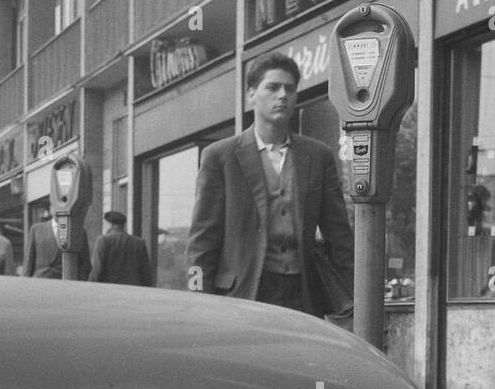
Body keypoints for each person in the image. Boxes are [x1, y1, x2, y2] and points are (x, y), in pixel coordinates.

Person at [185, 52, 353, 315]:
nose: (283, 95)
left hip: (303, 294)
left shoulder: (318, 156)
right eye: (273, 87)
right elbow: (201, 241)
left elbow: (340, 235)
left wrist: (351, 294)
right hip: (243, 293)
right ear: (252, 94)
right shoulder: (221, 157)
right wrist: (197, 300)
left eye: (290, 88)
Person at [23, 203, 91, 280]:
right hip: (40, 282)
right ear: (51, 209)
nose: (59, 210)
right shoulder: (36, 229)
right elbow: (28, 261)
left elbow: (85, 264)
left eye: (63, 207)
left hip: (64, 283)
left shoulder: (77, 231)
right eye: (56, 206)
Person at [90, 210, 151, 285]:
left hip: (109, 289)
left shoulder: (103, 240)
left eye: (104, 223)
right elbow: (146, 271)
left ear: (111, 224)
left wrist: (91, 286)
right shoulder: (140, 242)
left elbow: (97, 268)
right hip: (134, 290)